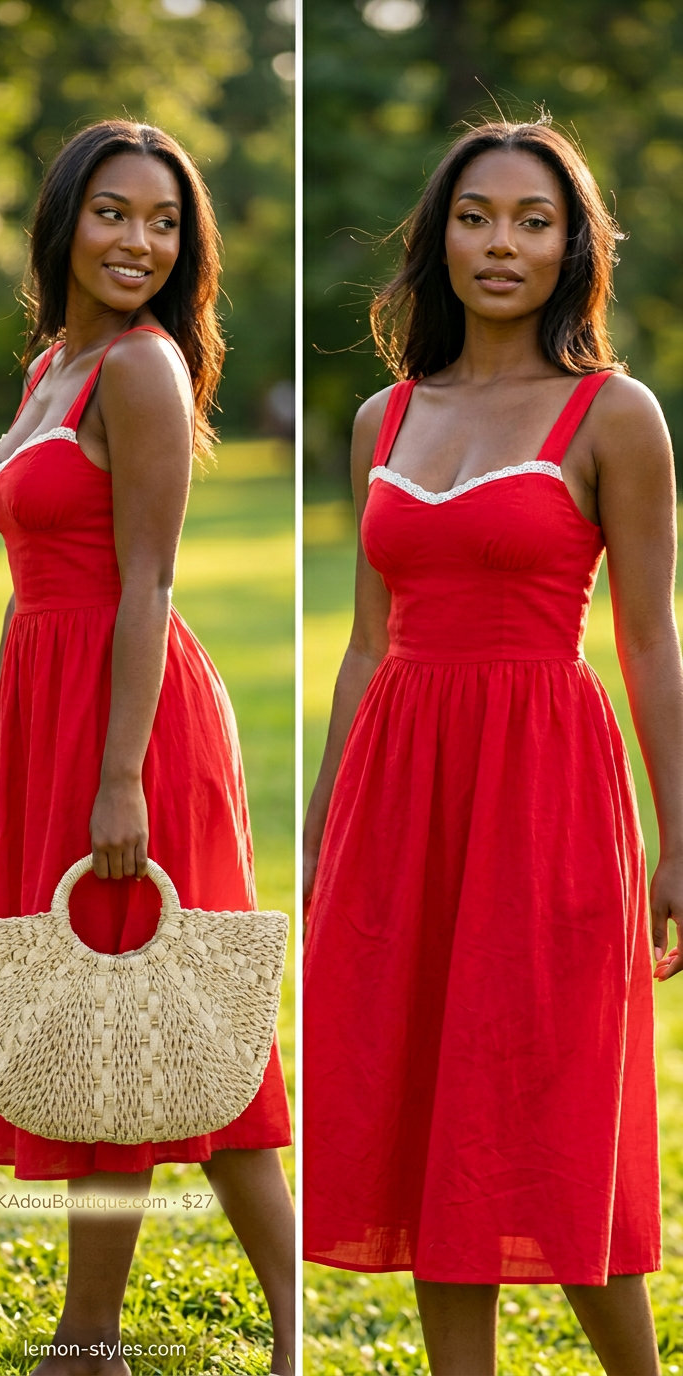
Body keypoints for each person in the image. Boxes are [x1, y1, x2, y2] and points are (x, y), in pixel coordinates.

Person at [303, 116, 683, 1376]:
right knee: (423, 1114)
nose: (501, 243)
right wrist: (323, 812)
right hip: (402, 793)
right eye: (476, 217)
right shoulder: (383, 417)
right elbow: (367, 641)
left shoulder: (613, 412)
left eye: (533, 219)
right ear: (438, 238)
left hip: (546, 792)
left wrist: (681, 838)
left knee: (551, 1111)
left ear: (575, 244)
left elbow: (649, 643)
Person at [0, 119, 294, 1376]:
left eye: (163, 221)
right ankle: (133, 1333)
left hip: (130, 719)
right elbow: (34, 585)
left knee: (159, 1013)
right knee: (129, 1020)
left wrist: (117, 774)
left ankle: (104, 1340)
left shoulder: (139, 369)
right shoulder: (52, 365)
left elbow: (145, 582)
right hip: (52, 707)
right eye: (113, 213)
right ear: (65, 223)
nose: (138, 239)